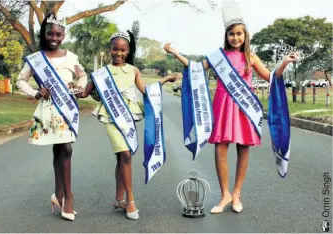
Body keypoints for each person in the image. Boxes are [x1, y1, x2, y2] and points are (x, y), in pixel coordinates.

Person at [164, 1, 298, 214]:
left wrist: (284, 63)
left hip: (244, 108)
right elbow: (196, 69)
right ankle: (225, 193)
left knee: (243, 147)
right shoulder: (218, 56)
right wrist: (176, 53)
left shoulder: (251, 57)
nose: (235, 37)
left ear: (245, 35)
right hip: (223, 106)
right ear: (226, 36)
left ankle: (237, 193)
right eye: (231, 34)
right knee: (220, 149)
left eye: (239, 34)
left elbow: (271, 77)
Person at [76, 30, 177, 220]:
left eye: (122, 50)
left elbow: (146, 91)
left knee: (122, 157)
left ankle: (118, 199)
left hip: (128, 114)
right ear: (110, 50)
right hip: (111, 116)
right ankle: (130, 200)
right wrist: (73, 88)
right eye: (115, 49)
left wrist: (165, 79)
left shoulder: (133, 70)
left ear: (128, 50)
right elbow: (84, 93)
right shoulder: (100, 73)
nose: (119, 53)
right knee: (125, 155)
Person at [16, 14, 87, 221]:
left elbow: (82, 76)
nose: (53, 37)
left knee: (65, 148)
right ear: (45, 34)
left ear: (63, 36)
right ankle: (60, 195)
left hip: (66, 108)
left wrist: (78, 86)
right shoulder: (37, 59)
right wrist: (35, 93)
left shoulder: (70, 57)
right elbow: (21, 80)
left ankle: (67, 197)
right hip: (49, 111)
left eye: (58, 34)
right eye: (50, 33)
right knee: (59, 150)